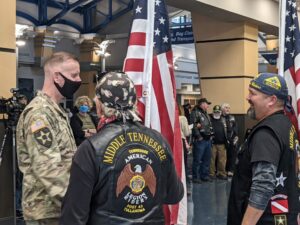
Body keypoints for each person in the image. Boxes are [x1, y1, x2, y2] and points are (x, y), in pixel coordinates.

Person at [60, 72, 184, 225]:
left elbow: (74, 215)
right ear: (134, 103)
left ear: (99, 106)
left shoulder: (91, 148)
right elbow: (174, 195)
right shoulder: (159, 141)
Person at [17, 51, 81, 225]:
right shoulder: (40, 114)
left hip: (58, 208)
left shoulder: (54, 110)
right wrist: (78, 203)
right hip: (47, 211)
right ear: (57, 77)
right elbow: (47, 169)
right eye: (74, 75)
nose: (78, 80)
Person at [227, 73, 300, 225]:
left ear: (272, 100)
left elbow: (263, 185)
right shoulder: (286, 125)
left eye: (253, 93)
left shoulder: (266, 133)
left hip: (266, 219)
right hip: (286, 214)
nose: (248, 98)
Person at [190, 98, 213, 183]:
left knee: (206, 159)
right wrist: (198, 136)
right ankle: (196, 177)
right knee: (198, 160)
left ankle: (204, 176)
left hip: (207, 140)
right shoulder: (195, 112)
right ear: (202, 104)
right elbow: (193, 126)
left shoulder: (205, 113)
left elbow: (207, 126)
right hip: (200, 140)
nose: (208, 106)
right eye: (207, 104)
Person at [209, 105, 228, 180]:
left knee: (222, 160)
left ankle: (221, 173)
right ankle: (211, 173)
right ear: (213, 112)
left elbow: (228, 130)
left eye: (218, 112)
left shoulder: (224, 120)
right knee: (211, 159)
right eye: (215, 112)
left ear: (220, 112)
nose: (217, 113)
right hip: (212, 143)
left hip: (222, 143)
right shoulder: (209, 120)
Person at [221, 102, 238, 177]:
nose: (228, 109)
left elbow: (235, 127)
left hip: (232, 138)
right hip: (223, 139)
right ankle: (223, 170)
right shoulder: (220, 117)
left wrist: (236, 136)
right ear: (222, 109)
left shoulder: (232, 117)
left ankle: (231, 170)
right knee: (223, 156)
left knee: (233, 155)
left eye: (229, 108)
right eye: (226, 107)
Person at [178, 105, 192, 183]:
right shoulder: (182, 118)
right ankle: (184, 180)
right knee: (183, 162)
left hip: (170, 141)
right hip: (180, 140)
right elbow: (186, 132)